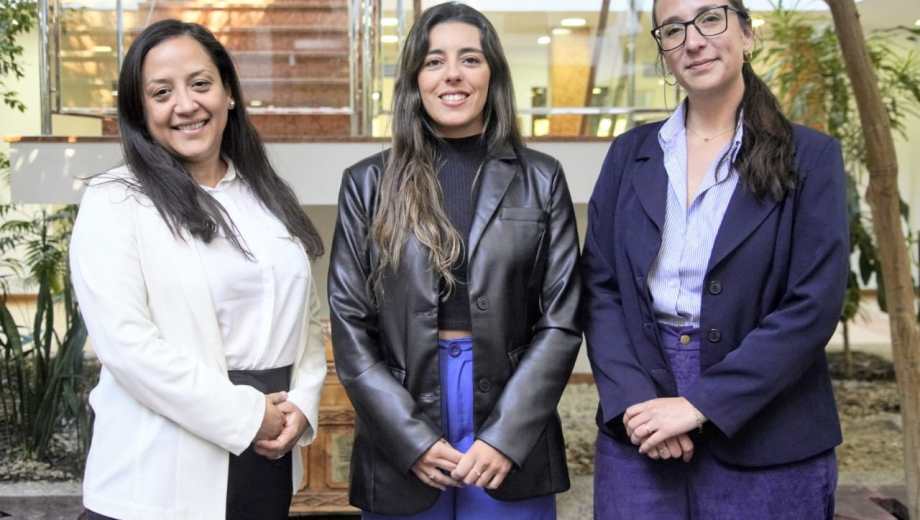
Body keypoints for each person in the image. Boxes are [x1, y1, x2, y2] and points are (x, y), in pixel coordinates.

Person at [582, 0, 848, 518]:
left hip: (770, 425)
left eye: (711, 18)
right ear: (664, 51)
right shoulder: (629, 154)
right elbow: (601, 286)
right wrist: (636, 404)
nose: (694, 40)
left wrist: (701, 404)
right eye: (674, 29)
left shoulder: (811, 158)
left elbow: (812, 305)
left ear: (747, 35)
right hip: (642, 420)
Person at [327, 3, 581, 518]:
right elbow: (350, 323)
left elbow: (561, 319)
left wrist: (506, 436)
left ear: (493, 75)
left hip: (511, 405)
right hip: (402, 404)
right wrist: (409, 439)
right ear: (415, 78)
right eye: (434, 61)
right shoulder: (367, 184)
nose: (453, 75)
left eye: (470, 59)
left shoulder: (543, 178)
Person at [69, 19, 327, 520]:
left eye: (201, 84)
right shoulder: (115, 200)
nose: (186, 105)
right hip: (158, 474)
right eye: (161, 92)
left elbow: (307, 321)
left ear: (228, 93)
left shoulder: (267, 194)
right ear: (141, 111)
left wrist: (304, 404)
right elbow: (127, 346)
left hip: (267, 459)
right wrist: (250, 416)